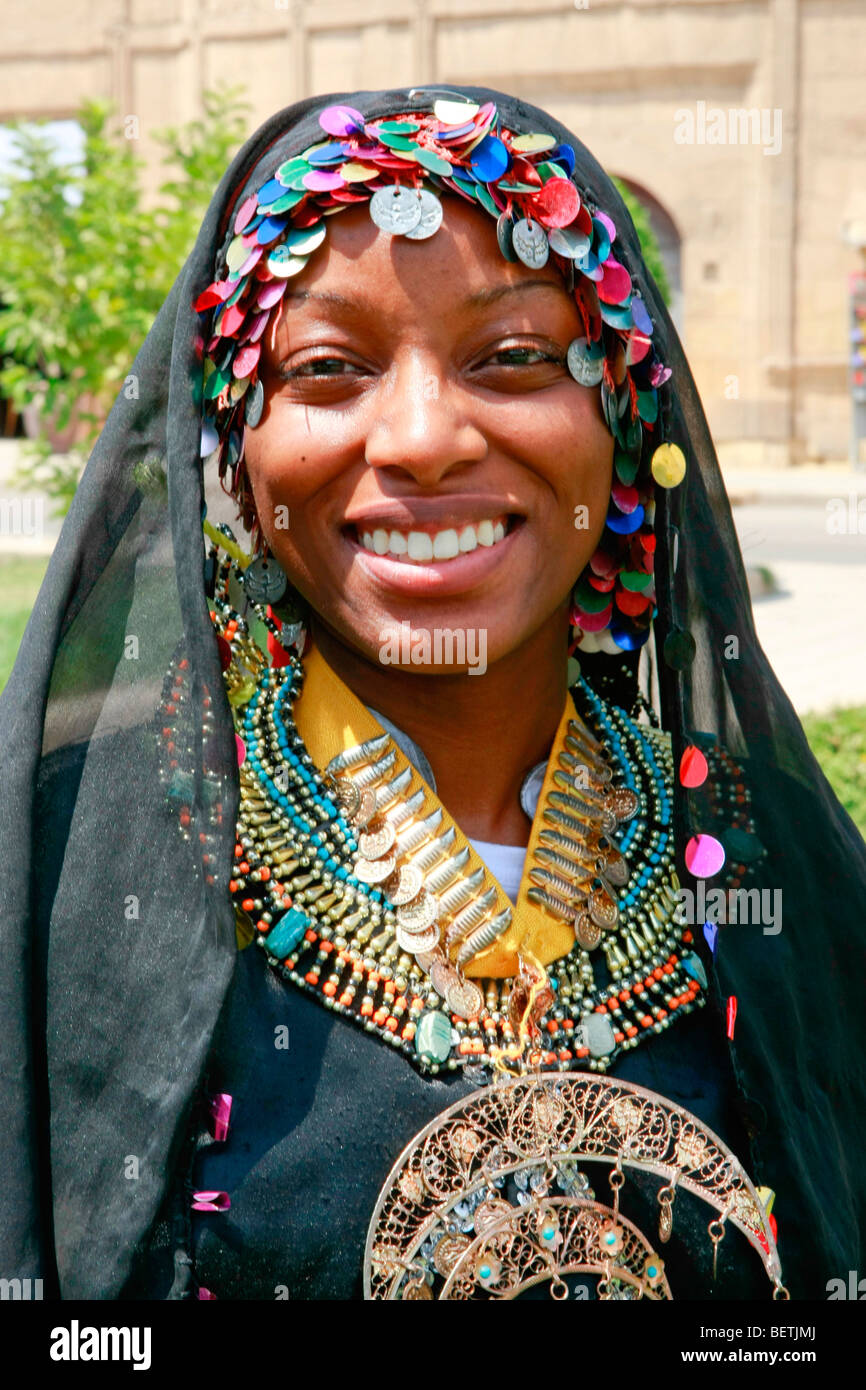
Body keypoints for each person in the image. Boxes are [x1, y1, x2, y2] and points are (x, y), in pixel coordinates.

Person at [1, 84, 864, 1303]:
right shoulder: (80, 867)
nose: (419, 438)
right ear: (235, 455)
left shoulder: (758, 854)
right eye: (326, 367)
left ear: (620, 413)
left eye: (512, 356)